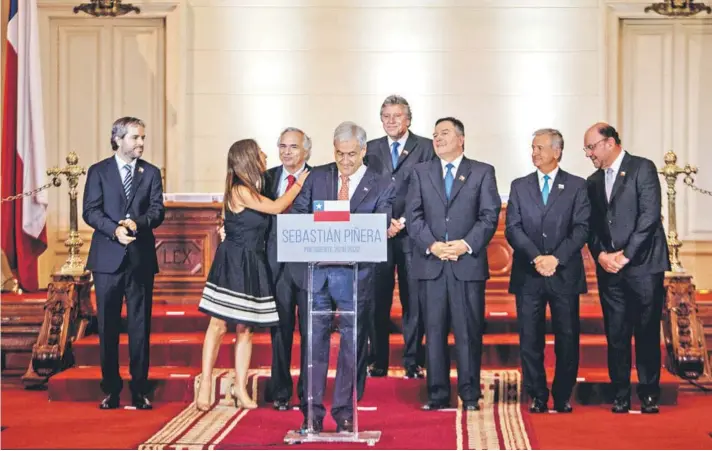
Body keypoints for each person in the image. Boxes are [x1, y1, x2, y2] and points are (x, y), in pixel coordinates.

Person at [289, 121, 395, 433]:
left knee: (353, 346)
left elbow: (381, 222)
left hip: (355, 275)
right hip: (317, 273)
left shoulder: (381, 182)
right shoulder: (318, 176)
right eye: (339, 154)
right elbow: (298, 214)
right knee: (313, 345)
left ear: (363, 151)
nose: (345, 161)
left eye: (351, 154)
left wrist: (345, 227)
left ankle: (345, 411)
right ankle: (311, 413)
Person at [194, 139, 309, 411]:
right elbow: (278, 207)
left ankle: (241, 388)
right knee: (219, 325)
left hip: (253, 262)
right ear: (247, 157)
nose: (266, 154)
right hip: (234, 262)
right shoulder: (239, 190)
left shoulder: (255, 187)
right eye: (260, 151)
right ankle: (207, 383)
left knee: (245, 328)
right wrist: (300, 183)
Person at [406, 117, 500, 411]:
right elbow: (414, 215)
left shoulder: (482, 172)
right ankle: (437, 394)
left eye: (444, 133)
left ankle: (470, 395)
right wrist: (432, 245)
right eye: (435, 134)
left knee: (468, 332)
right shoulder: (420, 172)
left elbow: (489, 215)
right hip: (431, 263)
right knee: (433, 331)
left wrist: (465, 244)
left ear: (461, 138)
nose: (437, 138)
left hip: (466, 264)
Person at [583, 122, 669, 414]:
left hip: (643, 266)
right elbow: (591, 227)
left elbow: (649, 217)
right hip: (610, 269)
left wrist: (626, 255)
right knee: (616, 333)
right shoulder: (592, 181)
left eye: (591, 147)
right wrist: (602, 255)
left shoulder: (642, 168)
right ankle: (620, 393)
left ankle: (648, 393)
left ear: (609, 143)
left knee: (645, 331)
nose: (588, 154)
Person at [505, 128, 590, 414]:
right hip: (528, 274)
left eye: (540, 148)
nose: (534, 153)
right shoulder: (519, 185)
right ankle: (537, 395)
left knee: (567, 338)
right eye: (532, 148)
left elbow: (582, 229)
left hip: (564, 274)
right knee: (530, 339)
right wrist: (537, 258)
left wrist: (556, 258)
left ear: (557, 151)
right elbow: (512, 228)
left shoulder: (577, 186)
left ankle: (563, 394)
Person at [82, 116, 165, 410]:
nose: (141, 143)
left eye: (143, 137)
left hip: (140, 259)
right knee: (107, 327)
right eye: (135, 138)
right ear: (118, 139)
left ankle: (140, 389)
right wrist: (114, 230)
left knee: (140, 327)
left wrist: (137, 223)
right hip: (107, 259)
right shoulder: (98, 171)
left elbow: (158, 211)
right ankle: (111, 390)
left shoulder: (151, 172)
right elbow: (90, 212)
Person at [365, 94, 435, 378]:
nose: (391, 121)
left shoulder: (427, 148)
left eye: (397, 116)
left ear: (409, 119)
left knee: (414, 301)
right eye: (386, 116)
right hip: (377, 235)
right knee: (376, 301)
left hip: (413, 235)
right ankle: (377, 361)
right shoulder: (368, 149)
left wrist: (403, 221)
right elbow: (364, 189)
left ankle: (413, 361)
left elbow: (430, 191)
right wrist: (382, 223)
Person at [264, 127, 312, 410]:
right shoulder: (268, 177)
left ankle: (309, 391)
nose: (286, 152)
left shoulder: (317, 177)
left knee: (310, 332)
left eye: (293, 146)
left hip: (308, 265)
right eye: (282, 146)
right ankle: (281, 392)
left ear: (306, 150)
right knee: (279, 332)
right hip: (276, 265)